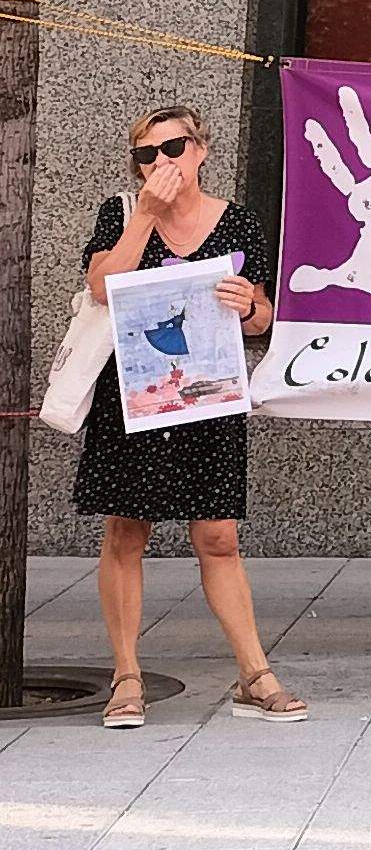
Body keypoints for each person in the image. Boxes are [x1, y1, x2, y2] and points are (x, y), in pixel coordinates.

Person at [78, 106, 308, 728]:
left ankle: (254, 674)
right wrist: (145, 215)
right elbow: (102, 285)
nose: (160, 163)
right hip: (135, 394)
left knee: (218, 537)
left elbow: (262, 318)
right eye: (146, 154)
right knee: (128, 532)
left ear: (201, 150)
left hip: (209, 397)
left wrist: (248, 305)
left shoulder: (238, 222)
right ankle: (127, 676)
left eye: (173, 148)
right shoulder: (121, 213)